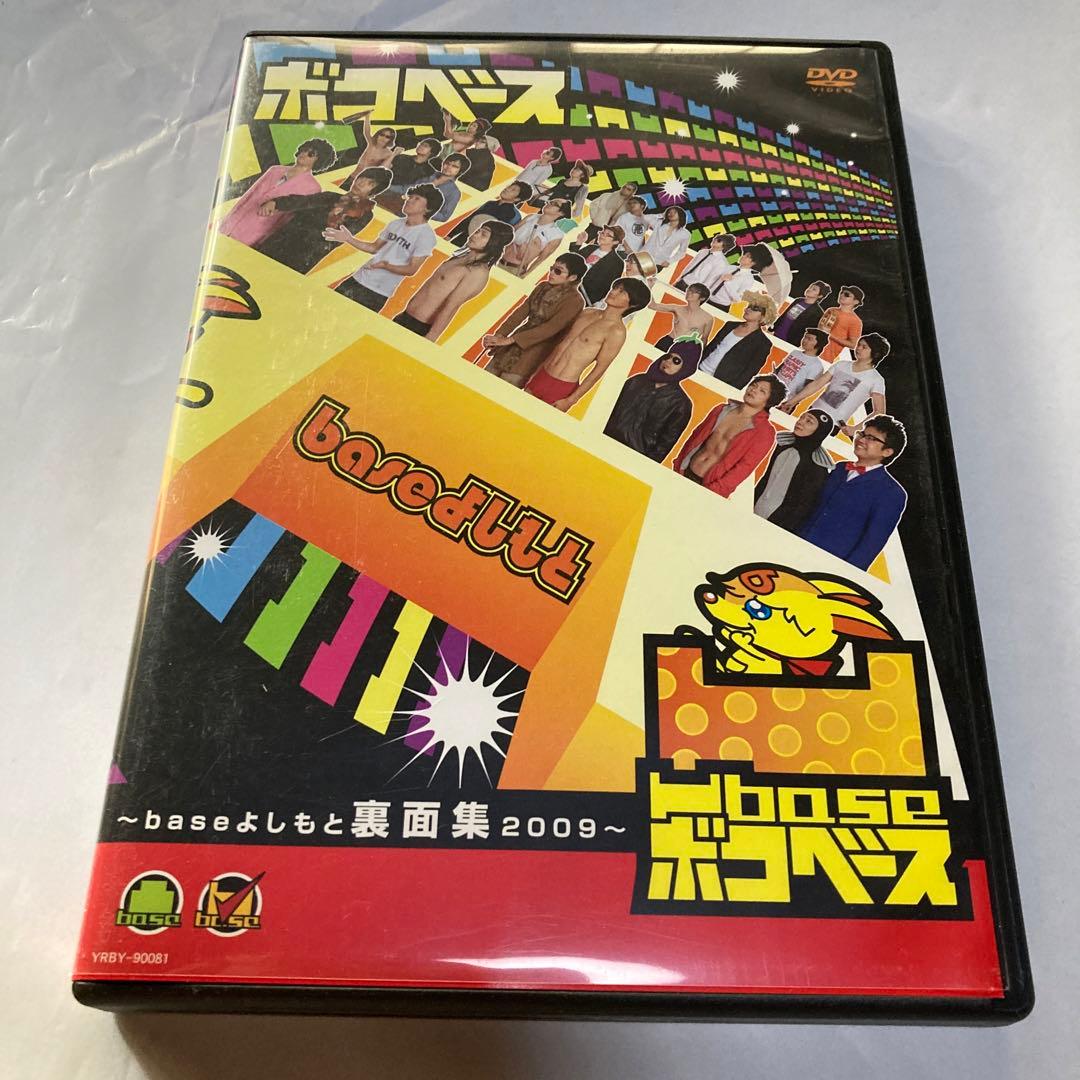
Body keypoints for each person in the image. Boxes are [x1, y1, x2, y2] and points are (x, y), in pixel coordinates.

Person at [799, 415, 908, 570]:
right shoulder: (839, 468)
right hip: (797, 545)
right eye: (862, 434)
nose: (861, 440)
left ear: (887, 452)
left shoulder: (892, 493)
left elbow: (871, 544)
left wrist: (844, 575)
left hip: (828, 566)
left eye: (871, 438)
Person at [524, 277, 651, 410]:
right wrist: (536, 372)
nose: (613, 292)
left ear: (633, 304)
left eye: (622, 292)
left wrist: (571, 400)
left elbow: (599, 369)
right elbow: (561, 344)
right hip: (542, 375)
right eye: (615, 288)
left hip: (561, 386)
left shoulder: (616, 332)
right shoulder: (587, 312)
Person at [327, 183, 444, 312]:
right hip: (357, 278)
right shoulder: (396, 223)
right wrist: (348, 239)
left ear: (428, 209)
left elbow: (412, 269)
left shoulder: (426, 236)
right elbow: (374, 248)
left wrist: (385, 266)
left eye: (416, 199)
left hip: (377, 291)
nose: (409, 200)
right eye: (411, 197)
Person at [392, 220, 514, 340]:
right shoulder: (460, 259)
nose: (475, 235)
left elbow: (452, 307)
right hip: (405, 316)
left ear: (494, 243)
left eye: (483, 234)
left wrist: (431, 337)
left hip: (420, 327)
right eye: (478, 231)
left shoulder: (478, 273)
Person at [257, 166, 392, 274]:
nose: (361, 183)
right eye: (361, 178)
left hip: (304, 256)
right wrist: (276, 202)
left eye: (370, 183)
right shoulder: (330, 196)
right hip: (281, 241)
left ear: (374, 191)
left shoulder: (365, 214)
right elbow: (302, 201)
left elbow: (335, 236)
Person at [482, 254, 587, 386]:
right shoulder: (542, 287)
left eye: (558, 271)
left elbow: (551, 329)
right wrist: (499, 335)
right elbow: (520, 313)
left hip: (537, 349)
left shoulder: (575, 301)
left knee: (507, 384)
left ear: (572, 277)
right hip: (513, 342)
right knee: (485, 377)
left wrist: (510, 340)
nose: (551, 273)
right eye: (552, 268)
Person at [672, 375, 786, 497]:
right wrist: (679, 464)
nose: (754, 390)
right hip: (685, 471)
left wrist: (715, 490)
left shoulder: (764, 432)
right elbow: (695, 437)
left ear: (769, 401)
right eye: (753, 385)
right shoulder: (722, 409)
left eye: (762, 391)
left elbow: (744, 468)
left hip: (710, 487)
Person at [218, 139, 336, 248]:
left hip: (255, 233)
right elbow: (248, 195)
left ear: (319, 160)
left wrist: (264, 241)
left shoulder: (312, 187)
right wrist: (227, 220)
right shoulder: (274, 170)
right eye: (304, 150)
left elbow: (288, 219)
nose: (304, 154)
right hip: (232, 223)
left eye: (311, 154)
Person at [782, 332, 890, 434]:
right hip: (812, 411)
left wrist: (855, 429)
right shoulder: (841, 364)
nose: (858, 348)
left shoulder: (876, 379)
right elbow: (817, 384)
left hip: (833, 424)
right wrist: (792, 402)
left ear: (875, 354)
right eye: (859, 345)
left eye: (864, 347)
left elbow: (879, 411)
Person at [604, 351, 697, 462]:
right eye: (667, 356)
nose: (668, 361)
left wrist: (644, 464)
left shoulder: (681, 404)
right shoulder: (636, 381)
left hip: (634, 457)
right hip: (605, 441)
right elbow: (609, 409)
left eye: (676, 361)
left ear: (686, 368)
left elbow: (665, 444)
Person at [753, 408, 836, 532]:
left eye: (809, 421)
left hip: (778, 523)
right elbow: (766, 478)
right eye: (802, 417)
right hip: (756, 507)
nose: (800, 422)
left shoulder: (818, 467)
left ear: (819, 432)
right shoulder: (782, 446)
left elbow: (803, 506)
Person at [699, 290, 778, 388]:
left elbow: (749, 372)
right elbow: (712, 346)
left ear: (763, 316)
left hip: (720, 383)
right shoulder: (730, 325)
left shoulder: (763, 344)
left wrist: (731, 389)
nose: (748, 309)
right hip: (700, 368)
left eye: (755, 308)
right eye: (749, 306)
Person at [447, 181, 533, 246]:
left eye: (513, 190)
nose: (507, 189)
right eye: (509, 186)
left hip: (478, 246)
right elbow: (469, 219)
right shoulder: (490, 203)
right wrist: (450, 235)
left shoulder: (514, 215)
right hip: (461, 239)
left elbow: (500, 237)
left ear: (517, 199)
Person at [501, 198, 571, 275]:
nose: (549, 204)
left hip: (514, 270)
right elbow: (509, 234)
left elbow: (540, 260)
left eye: (555, 204)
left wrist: (525, 275)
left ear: (561, 213)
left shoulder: (556, 234)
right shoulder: (531, 217)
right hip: (498, 260)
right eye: (550, 202)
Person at [442, 113, 502, 190]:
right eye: (479, 140)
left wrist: (448, 120)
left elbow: (469, 170)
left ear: (488, 146)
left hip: (470, 187)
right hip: (463, 183)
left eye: (482, 142)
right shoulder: (474, 151)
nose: (477, 142)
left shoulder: (485, 156)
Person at [338, 111, 403, 182]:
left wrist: (394, 154)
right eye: (382, 134)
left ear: (390, 140)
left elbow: (382, 169)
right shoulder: (372, 143)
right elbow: (367, 132)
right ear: (378, 135)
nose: (383, 138)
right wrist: (367, 117)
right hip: (352, 176)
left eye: (387, 137)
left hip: (363, 181)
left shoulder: (388, 154)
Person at [571, 225, 627, 306]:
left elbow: (605, 288)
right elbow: (570, 261)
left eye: (608, 235)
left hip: (581, 298)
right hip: (565, 285)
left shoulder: (617, 263)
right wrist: (578, 243)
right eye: (602, 233)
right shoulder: (590, 248)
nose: (602, 235)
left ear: (615, 242)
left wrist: (585, 301)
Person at [650, 283, 716, 351]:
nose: (689, 293)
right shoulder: (677, 309)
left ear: (702, 298)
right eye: (689, 290)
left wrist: (699, 354)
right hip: (667, 342)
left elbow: (704, 338)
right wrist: (649, 286)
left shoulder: (708, 318)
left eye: (695, 292)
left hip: (686, 347)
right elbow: (653, 306)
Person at [771, 327, 829, 401]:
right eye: (805, 337)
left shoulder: (817, 365)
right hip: (772, 388)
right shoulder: (795, 352)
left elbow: (806, 389)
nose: (804, 340)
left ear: (819, 344)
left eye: (809, 339)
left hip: (786, 398)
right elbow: (780, 368)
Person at [710, 242, 772, 310]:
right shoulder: (730, 267)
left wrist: (728, 283)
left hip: (720, 306)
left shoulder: (748, 279)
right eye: (744, 254)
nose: (743, 256)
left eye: (747, 256)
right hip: (707, 298)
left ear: (754, 262)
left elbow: (738, 299)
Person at [772, 280, 831, 345]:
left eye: (814, 289)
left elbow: (809, 330)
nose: (809, 289)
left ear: (820, 296)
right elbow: (784, 315)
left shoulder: (818, 312)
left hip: (790, 340)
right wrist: (772, 328)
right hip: (776, 332)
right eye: (810, 287)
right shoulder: (798, 300)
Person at [818, 285, 865, 361]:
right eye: (841, 293)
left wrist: (830, 336)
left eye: (846, 295)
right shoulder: (831, 310)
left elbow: (853, 345)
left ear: (856, 301)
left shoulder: (856, 321)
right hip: (811, 348)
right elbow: (820, 328)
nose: (842, 295)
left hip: (827, 357)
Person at [641, 206, 691, 271]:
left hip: (659, 262)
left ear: (681, 215)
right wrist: (661, 215)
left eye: (674, 212)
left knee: (644, 277)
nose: (671, 214)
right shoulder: (659, 223)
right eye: (669, 212)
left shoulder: (685, 234)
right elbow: (645, 218)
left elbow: (682, 252)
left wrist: (669, 261)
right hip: (643, 256)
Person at [429, 153, 471, 223]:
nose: (448, 167)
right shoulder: (428, 173)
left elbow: (444, 216)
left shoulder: (454, 192)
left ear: (461, 172)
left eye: (454, 166)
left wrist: (423, 211)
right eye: (447, 163)